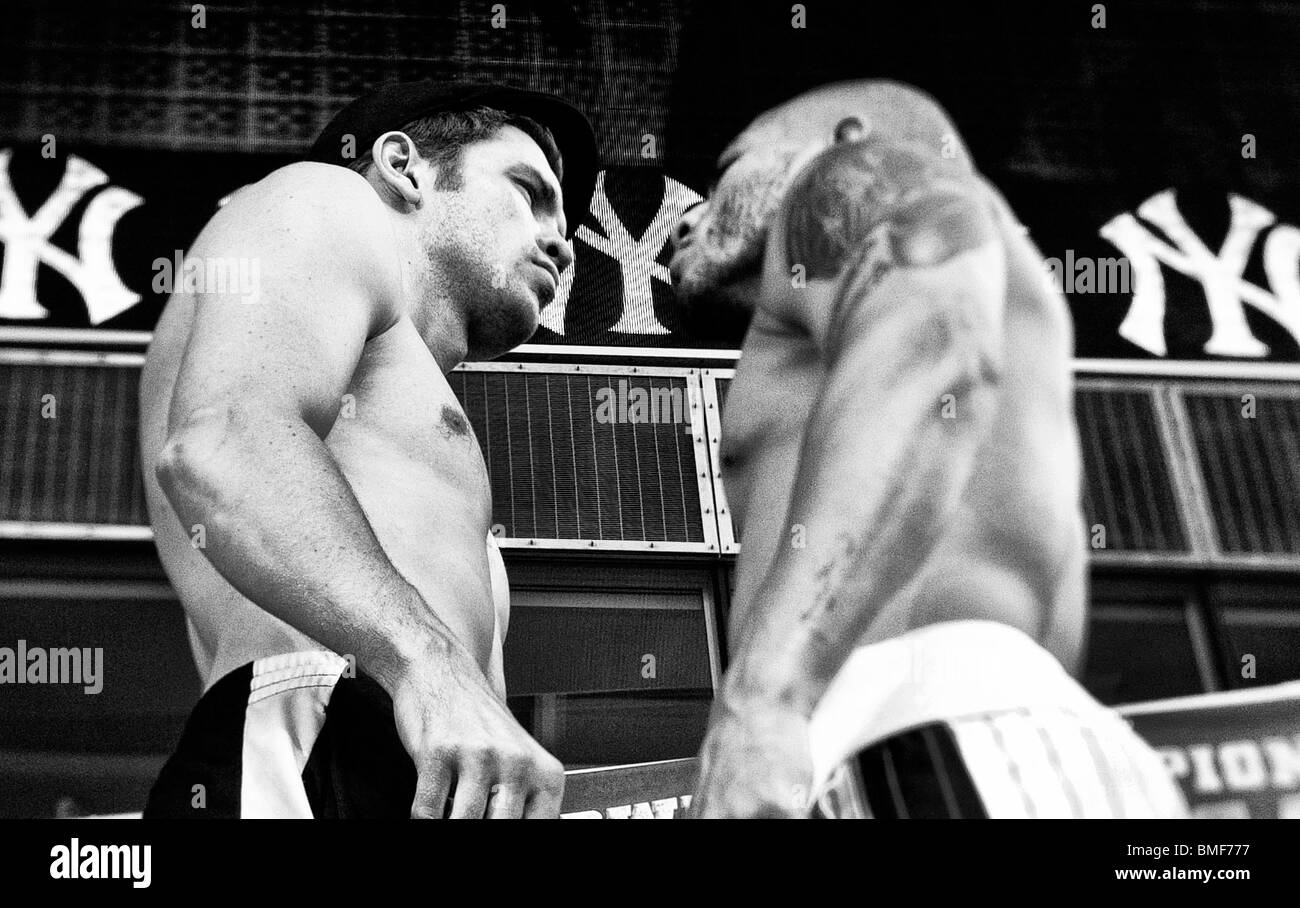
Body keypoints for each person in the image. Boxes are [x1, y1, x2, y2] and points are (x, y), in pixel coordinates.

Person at [668, 80, 1187, 818]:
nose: (685, 219)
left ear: (846, 135)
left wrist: (763, 700)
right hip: (996, 743)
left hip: (920, 734)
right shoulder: (985, 298)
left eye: (727, 172)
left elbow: (933, 344)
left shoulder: (858, 174)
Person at [138, 80, 597, 818]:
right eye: (529, 192)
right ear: (404, 167)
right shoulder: (322, 200)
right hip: (319, 733)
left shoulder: (398, 426)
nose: (563, 242)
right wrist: (429, 665)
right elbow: (223, 442)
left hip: (414, 766)